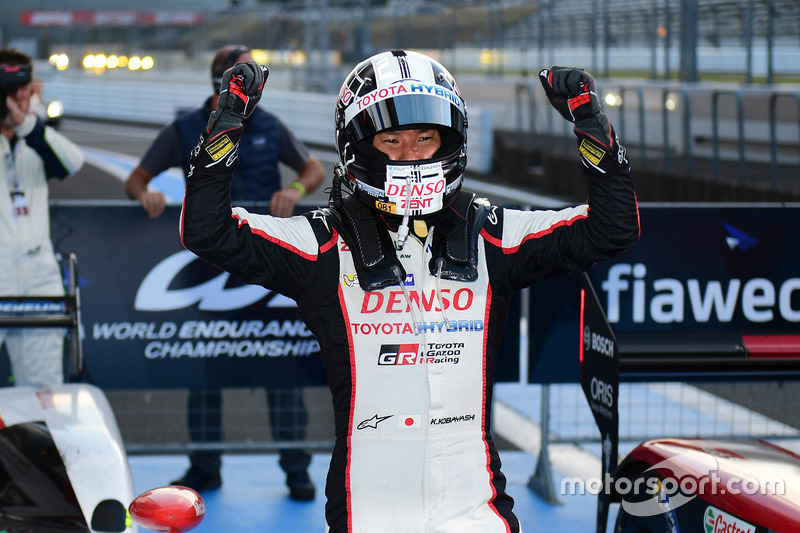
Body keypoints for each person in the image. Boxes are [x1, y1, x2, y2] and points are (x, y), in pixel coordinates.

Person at [181, 50, 639, 531]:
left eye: (425, 138)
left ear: (450, 139)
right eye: (391, 139)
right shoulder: (320, 245)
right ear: (359, 146)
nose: (410, 154)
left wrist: (590, 121)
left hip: (476, 506)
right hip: (369, 509)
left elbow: (612, 228)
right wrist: (226, 123)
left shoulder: (492, 234)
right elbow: (209, 232)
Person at [125, 45, 325, 500]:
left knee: (282, 363)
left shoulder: (270, 124)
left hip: (269, 259)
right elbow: (136, 177)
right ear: (220, 80)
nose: (247, 87)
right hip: (210, 263)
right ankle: (205, 467)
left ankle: (297, 469)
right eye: (238, 78)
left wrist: (293, 189)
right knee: (207, 366)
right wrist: (146, 194)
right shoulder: (184, 127)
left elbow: (312, 169)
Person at [0, 48, 85, 388]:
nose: (23, 95)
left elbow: (73, 162)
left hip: (38, 275)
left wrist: (26, 125)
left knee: (43, 389)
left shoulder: (36, 138)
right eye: (12, 88)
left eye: (26, 86)